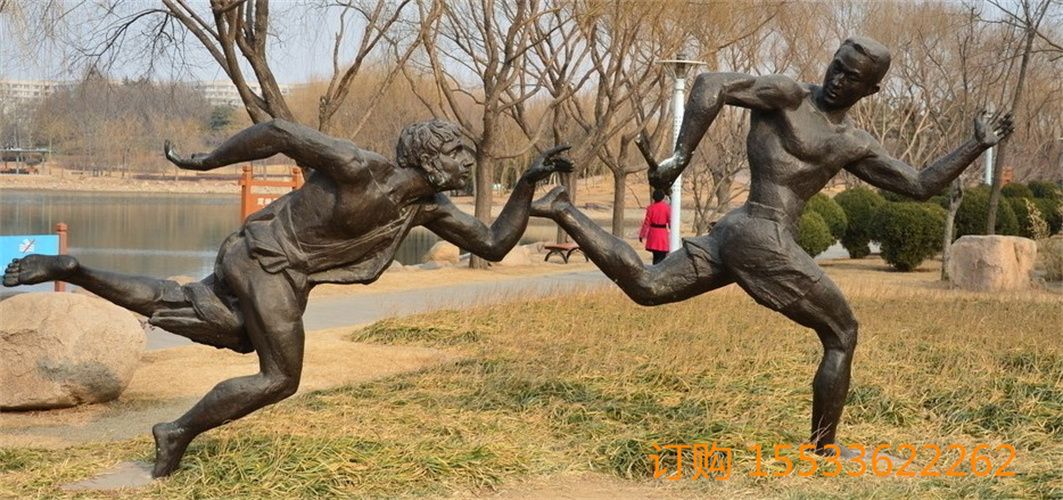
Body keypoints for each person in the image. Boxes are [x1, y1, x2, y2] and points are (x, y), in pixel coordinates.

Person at [3, 118, 572, 477]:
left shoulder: (427, 208)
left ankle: (73, 269)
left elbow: (494, 244)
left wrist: (527, 184)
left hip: (283, 276)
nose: (469, 163)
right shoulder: (357, 168)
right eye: (459, 154)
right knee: (279, 376)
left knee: (195, 314)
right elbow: (277, 132)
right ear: (429, 156)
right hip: (263, 258)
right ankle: (175, 432)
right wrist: (206, 162)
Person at [532, 36, 1012, 457]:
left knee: (648, 285)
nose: (838, 80)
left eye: (852, 78)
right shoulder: (786, 95)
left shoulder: (853, 143)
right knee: (842, 333)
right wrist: (681, 155)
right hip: (760, 232)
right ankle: (823, 448)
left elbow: (919, 185)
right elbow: (710, 85)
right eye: (837, 67)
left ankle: (563, 209)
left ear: (871, 90)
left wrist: (975, 146)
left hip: (741, 233)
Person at [638, 189, 670, 264]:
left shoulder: (650, 208)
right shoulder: (667, 208)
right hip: (662, 234)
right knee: (662, 256)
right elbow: (670, 220)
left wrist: (642, 235)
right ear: (663, 197)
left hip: (653, 234)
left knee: (655, 256)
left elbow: (646, 223)